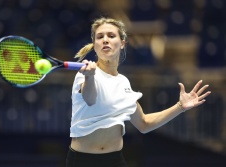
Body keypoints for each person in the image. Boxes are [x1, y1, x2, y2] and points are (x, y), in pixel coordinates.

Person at [66, 17, 211, 167]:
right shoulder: (85, 74)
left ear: (122, 43)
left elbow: (144, 123)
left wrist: (180, 106)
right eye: (100, 37)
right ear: (94, 46)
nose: (105, 40)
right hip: (82, 161)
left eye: (111, 35)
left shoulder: (123, 82)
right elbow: (90, 99)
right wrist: (89, 77)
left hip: (115, 160)